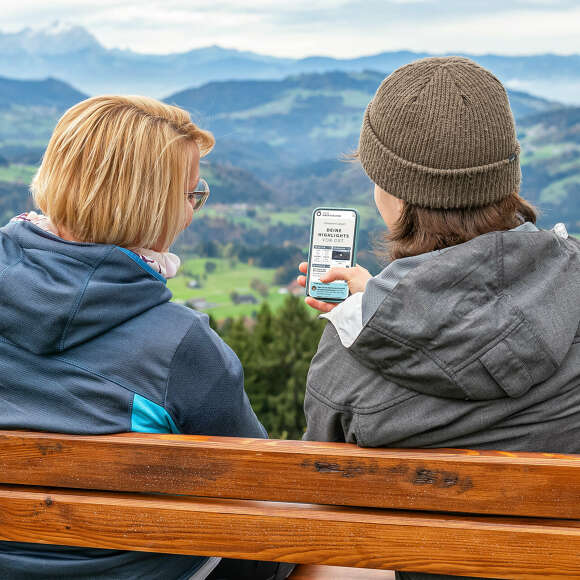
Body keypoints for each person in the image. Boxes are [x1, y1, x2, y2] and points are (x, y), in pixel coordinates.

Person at [298, 56, 580, 580]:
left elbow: (325, 489)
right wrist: (387, 301)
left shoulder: (352, 351)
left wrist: (381, 312)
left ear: (395, 195)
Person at [0, 95, 293, 580]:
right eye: (190, 195)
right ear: (150, 205)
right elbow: (261, 491)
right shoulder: (180, 345)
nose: (192, 212)